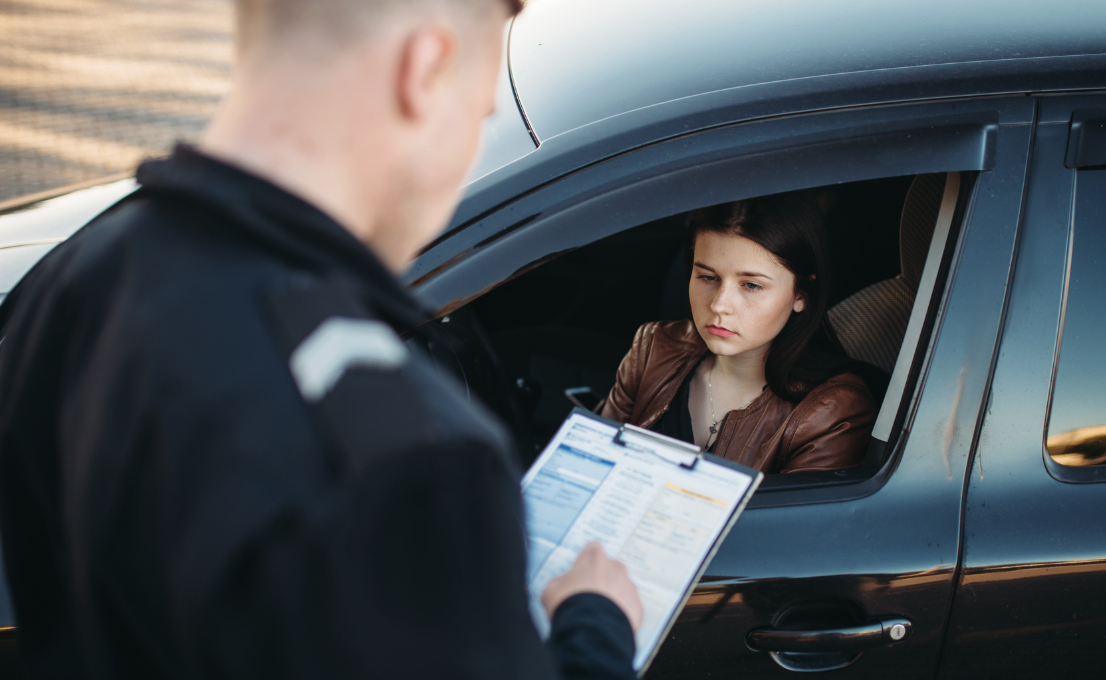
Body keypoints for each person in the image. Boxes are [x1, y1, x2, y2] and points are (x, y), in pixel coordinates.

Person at [0, 0, 643, 678]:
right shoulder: (416, 465)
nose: (468, 156)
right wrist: (595, 630)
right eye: (482, 116)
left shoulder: (73, 279)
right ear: (425, 68)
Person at [600, 193, 882, 474]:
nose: (719, 305)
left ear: (801, 294)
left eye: (751, 285)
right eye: (708, 277)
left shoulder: (831, 411)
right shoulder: (654, 347)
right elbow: (593, 464)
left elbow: (787, 519)